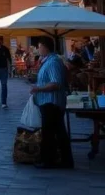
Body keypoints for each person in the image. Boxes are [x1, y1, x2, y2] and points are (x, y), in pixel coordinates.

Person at [30, 36, 74, 169]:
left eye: (39, 46)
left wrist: (39, 88)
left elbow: (56, 83)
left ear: (45, 46)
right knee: (57, 131)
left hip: (51, 102)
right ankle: (63, 160)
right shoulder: (47, 61)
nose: (38, 49)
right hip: (47, 102)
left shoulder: (53, 61)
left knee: (50, 132)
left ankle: (49, 160)